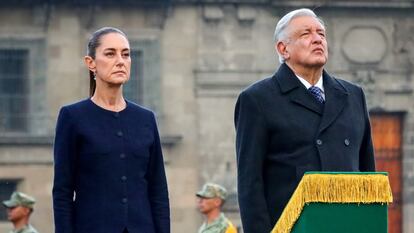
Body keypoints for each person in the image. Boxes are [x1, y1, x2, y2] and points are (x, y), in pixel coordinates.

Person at [234, 8, 375, 233]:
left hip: (347, 224)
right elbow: (250, 183)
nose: (317, 39)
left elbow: (369, 174)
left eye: (321, 33)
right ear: (283, 48)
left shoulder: (353, 95)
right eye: (306, 34)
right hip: (293, 226)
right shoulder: (257, 99)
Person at [52, 27, 170, 233]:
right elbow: (62, 192)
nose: (120, 61)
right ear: (91, 63)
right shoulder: (73, 117)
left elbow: (158, 190)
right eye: (110, 53)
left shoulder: (146, 119)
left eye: (126, 54)